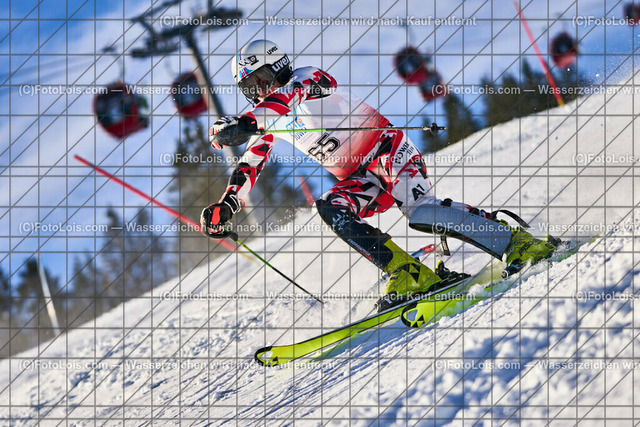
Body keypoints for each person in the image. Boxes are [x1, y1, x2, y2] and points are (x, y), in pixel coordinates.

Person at [201, 39, 557, 311]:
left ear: (277, 68)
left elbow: (287, 98)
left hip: (387, 150)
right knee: (330, 205)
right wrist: (227, 205)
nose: (257, 93)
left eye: (260, 82)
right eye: (250, 90)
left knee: (421, 213)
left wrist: (244, 123)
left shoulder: (305, 78)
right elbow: (250, 164)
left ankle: (516, 243)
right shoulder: (268, 118)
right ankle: (407, 273)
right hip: (360, 178)